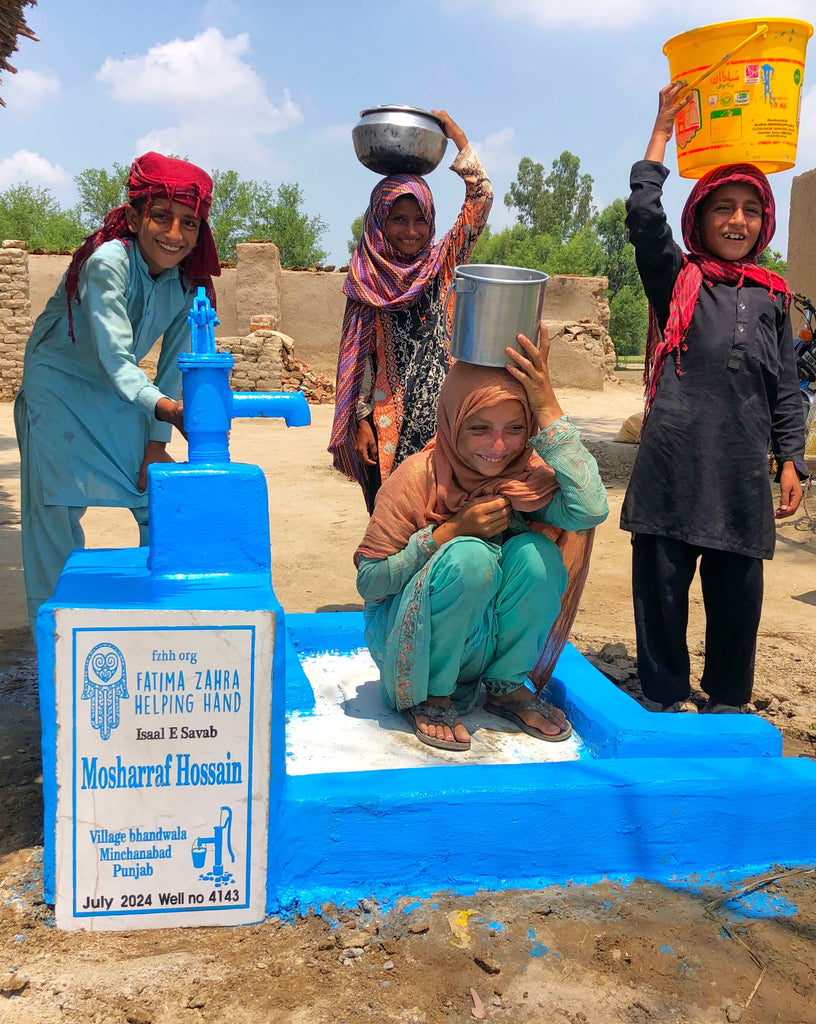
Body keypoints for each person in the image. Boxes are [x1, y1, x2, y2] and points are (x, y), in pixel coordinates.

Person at [621, 83, 808, 715]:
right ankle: (664, 695)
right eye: (723, 207)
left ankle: (728, 700)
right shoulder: (679, 279)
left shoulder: (773, 297)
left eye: (750, 210)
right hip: (672, 465)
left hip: (739, 475)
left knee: (737, 601)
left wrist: (791, 459)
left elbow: (785, 387)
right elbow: (644, 218)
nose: (737, 220)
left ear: (765, 222)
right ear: (698, 219)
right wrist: (661, 132)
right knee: (661, 592)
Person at [354, 325, 608, 751]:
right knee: (470, 557)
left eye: (516, 427)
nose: (499, 445)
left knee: (537, 554)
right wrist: (449, 532)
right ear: (453, 421)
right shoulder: (417, 478)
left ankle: (506, 687)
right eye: (478, 428)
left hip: (482, 647)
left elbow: (590, 508)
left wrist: (547, 404)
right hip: (413, 651)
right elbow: (371, 582)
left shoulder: (526, 479)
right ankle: (432, 696)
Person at [15, 152, 221, 635]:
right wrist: (167, 410)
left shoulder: (188, 284)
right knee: (54, 512)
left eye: (189, 223)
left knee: (154, 492)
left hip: (123, 393)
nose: (174, 234)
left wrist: (156, 442)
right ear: (133, 217)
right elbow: (115, 356)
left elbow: (173, 369)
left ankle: (165, 620)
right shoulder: (108, 262)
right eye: (161, 216)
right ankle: (57, 637)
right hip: (57, 391)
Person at [330, 110, 493, 512]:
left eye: (421, 220)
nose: (411, 231)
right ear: (378, 221)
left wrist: (457, 137)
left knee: (446, 522)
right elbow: (357, 362)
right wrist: (361, 421)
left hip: (446, 425)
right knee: (392, 523)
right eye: (398, 219)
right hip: (387, 428)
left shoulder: (442, 265)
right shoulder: (366, 280)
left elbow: (481, 200)